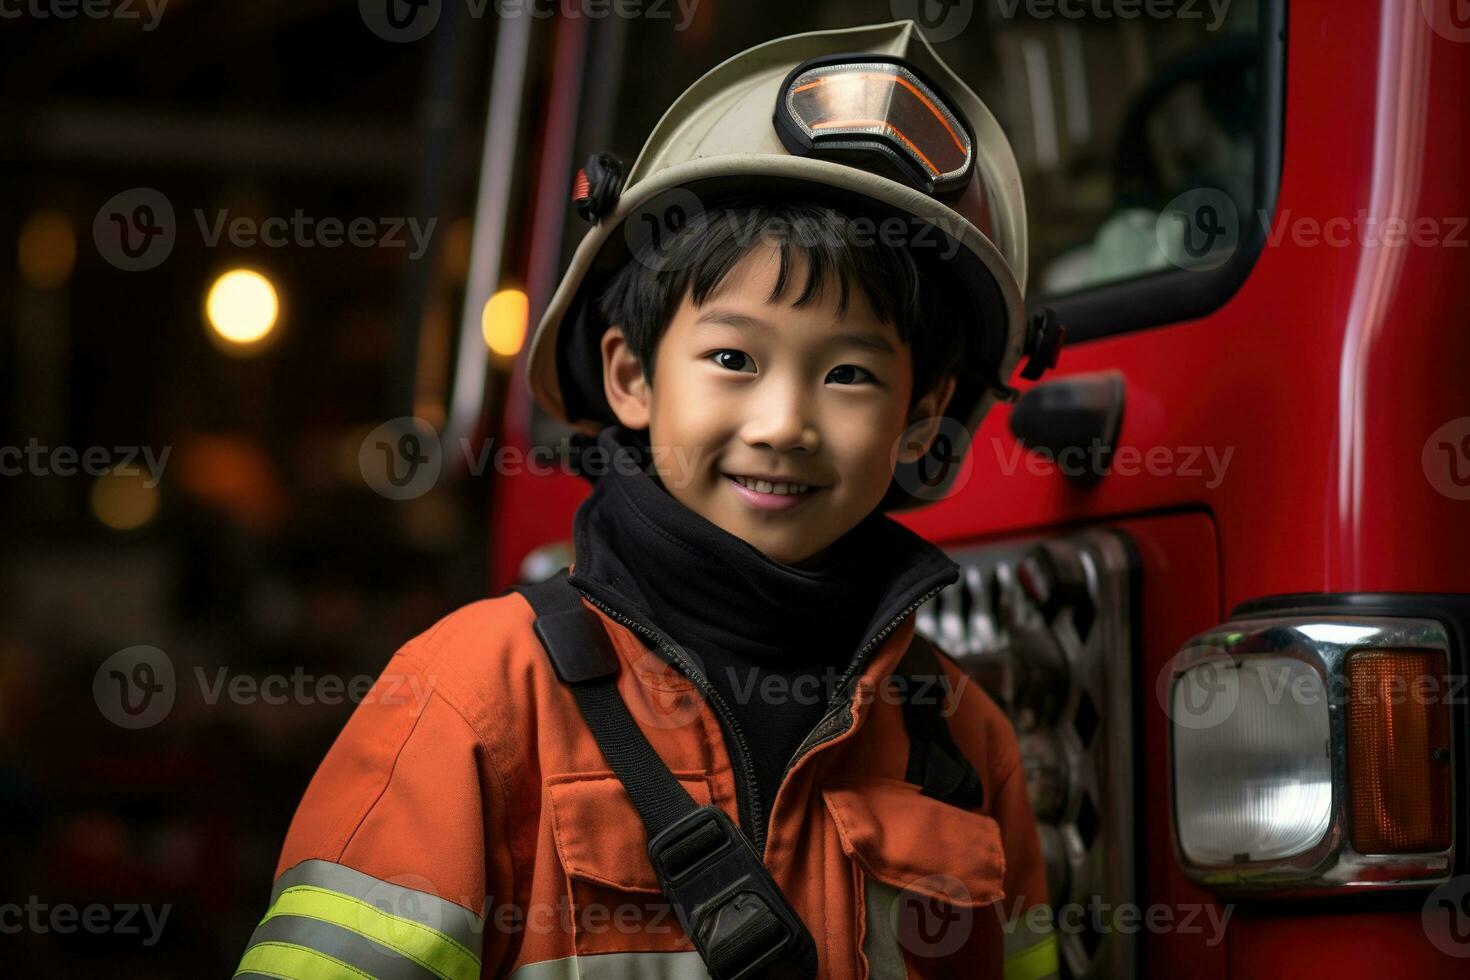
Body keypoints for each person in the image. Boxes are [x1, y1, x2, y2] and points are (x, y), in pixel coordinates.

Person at [236, 19, 1060, 980]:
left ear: (921, 420)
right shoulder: (473, 698)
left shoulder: (963, 738)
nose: (784, 422)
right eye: (732, 359)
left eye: (848, 375)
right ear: (630, 377)